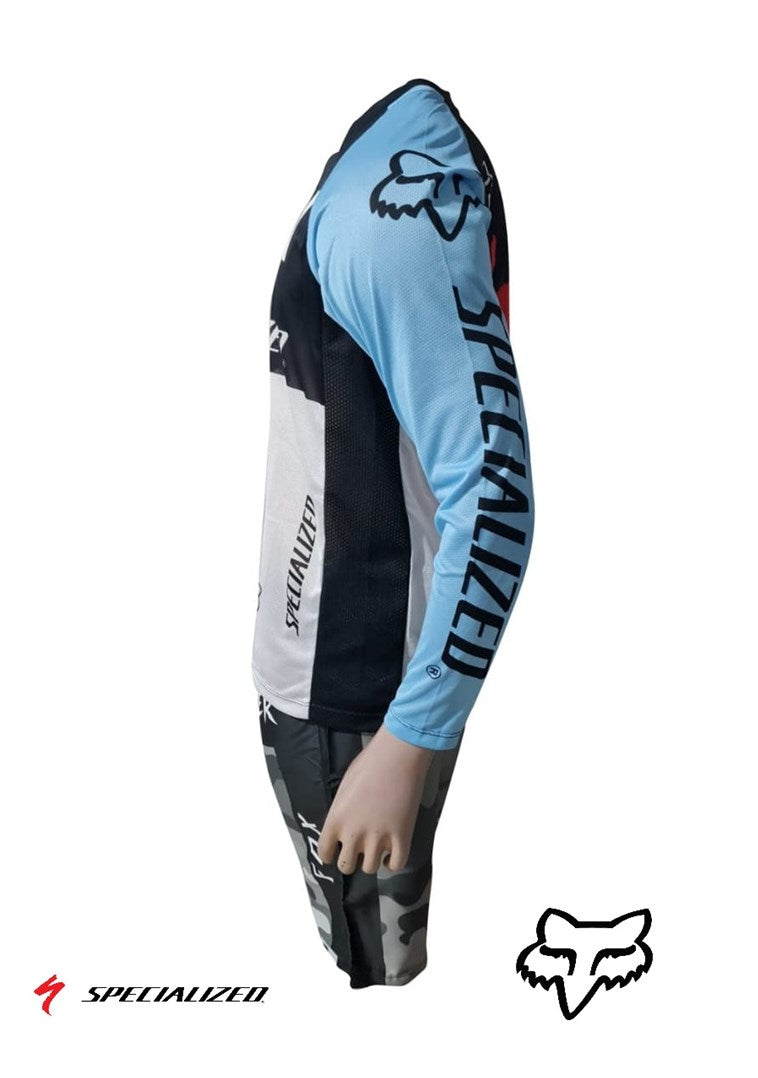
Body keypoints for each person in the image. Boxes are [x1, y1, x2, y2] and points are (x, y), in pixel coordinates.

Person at [252, 76, 535, 987]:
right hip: (325, 668)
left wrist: (408, 737)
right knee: (359, 959)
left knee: (376, 978)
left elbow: (493, 496)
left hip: (360, 701)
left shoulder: (389, 224)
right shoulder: (381, 183)